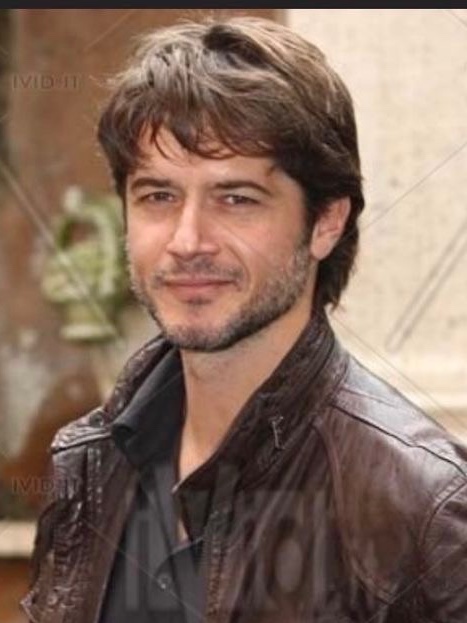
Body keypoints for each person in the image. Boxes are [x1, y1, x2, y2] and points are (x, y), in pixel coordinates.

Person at [22, 16, 467, 623]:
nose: (187, 240)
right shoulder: (86, 463)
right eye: (158, 196)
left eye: (236, 199)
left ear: (326, 223)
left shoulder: (423, 509)